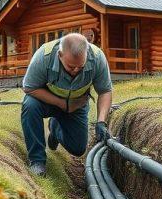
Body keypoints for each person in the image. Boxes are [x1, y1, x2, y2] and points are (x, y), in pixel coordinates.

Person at [20, 32, 112, 176]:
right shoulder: (44, 56)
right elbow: (29, 88)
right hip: (48, 101)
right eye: (70, 67)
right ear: (60, 55)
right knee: (30, 105)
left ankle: (55, 129)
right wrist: (62, 103)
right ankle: (37, 161)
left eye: (80, 67)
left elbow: (105, 91)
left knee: (78, 148)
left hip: (77, 105)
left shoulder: (97, 57)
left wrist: (101, 121)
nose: (75, 70)